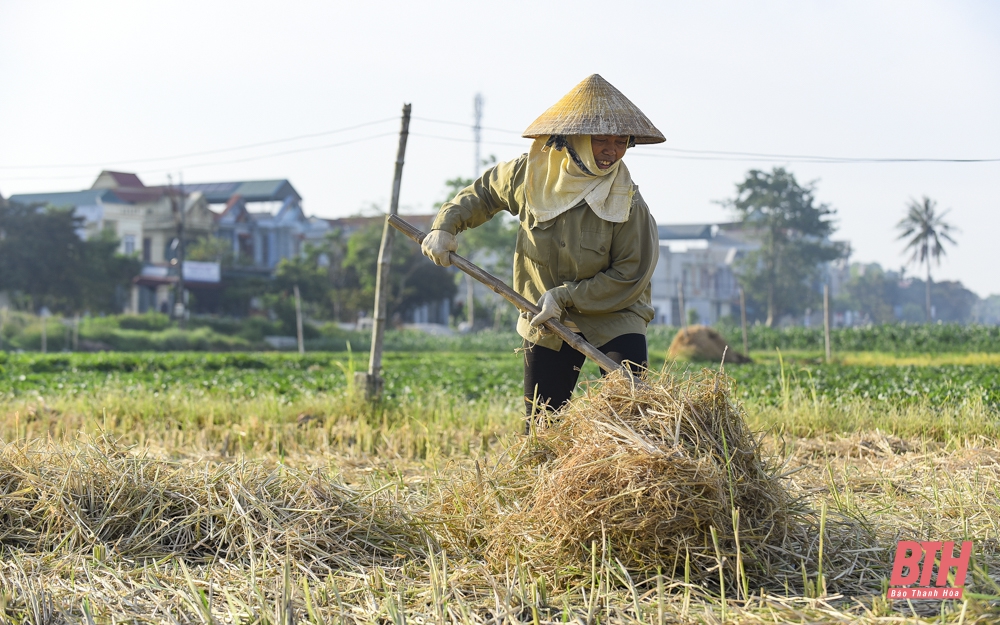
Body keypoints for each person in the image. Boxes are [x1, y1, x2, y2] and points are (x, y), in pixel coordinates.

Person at [422, 74, 664, 420]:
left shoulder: (629, 204)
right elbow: (484, 193)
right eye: (600, 140)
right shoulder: (530, 175)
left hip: (615, 315)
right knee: (542, 423)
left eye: (620, 141)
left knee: (633, 418)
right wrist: (445, 227)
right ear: (575, 140)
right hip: (544, 318)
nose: (612, 151)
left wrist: (565, 296)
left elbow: (630, 275)